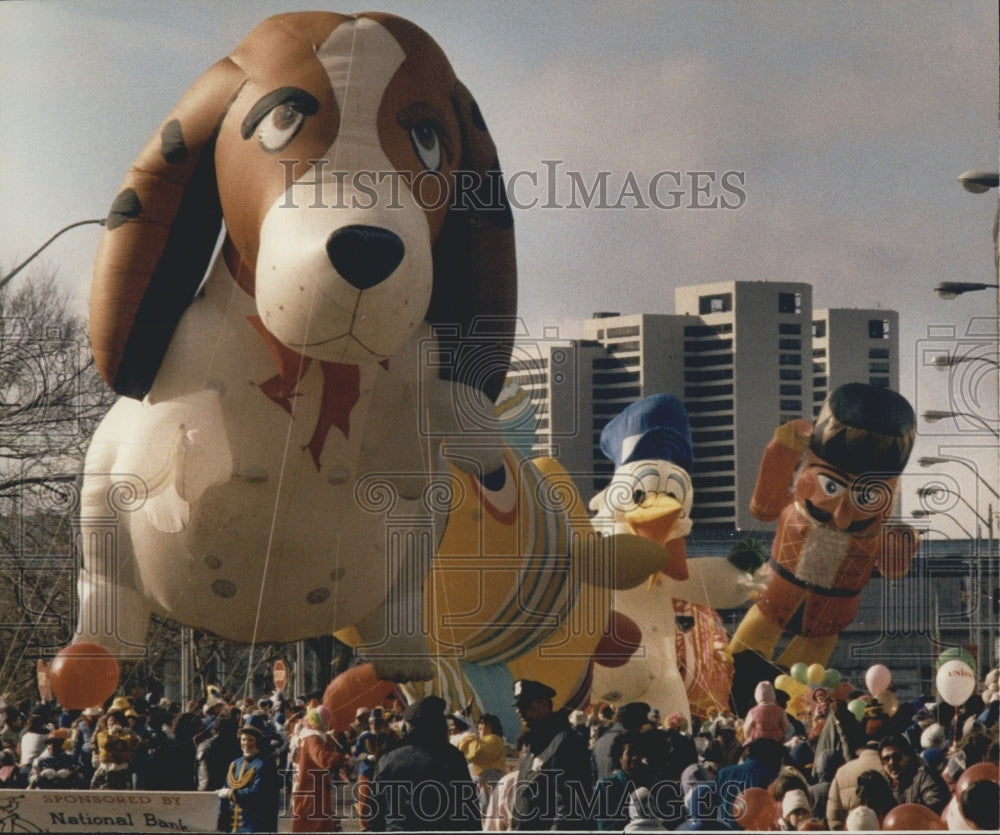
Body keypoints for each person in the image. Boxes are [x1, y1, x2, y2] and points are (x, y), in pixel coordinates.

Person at [370, 695, 480, 831]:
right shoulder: (452, 757)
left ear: (408, 727)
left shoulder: (387, 759)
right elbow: (468, 809)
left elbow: (375, 812)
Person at [510, 679, 593, 830]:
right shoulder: (534, 744)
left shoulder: (566, 742)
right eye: (517, 706)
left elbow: (569, 807)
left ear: (543, 704)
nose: (519, 711)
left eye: (525, 705)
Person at [291, 705, 348, 833]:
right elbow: (322, 758)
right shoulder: (313, 737)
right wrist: (341, 758)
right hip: (312, 788)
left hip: (309, 785)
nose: (327, 723)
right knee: (313, 823)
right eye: (325, 719)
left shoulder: (306, 736)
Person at [217, 725, 280, 833]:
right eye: (243, 739)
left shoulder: (265, 764)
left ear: (258, 742)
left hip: (254, 824)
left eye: (251, 740)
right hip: (232, 826)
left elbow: (258, 792)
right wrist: (221, 816)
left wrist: (232, 793)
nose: (246, 743)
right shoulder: (235, 764)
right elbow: (225, 791)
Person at [592, 731, 656, 830]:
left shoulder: (649, 781)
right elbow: (603, 827)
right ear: (619, 756)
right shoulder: (607, 785)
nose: (635, 757)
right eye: (630, 753)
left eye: (638, 753)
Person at [878, 734, 949, 814]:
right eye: (886, 759)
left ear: (908, 756)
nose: (891, 762)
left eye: (896, 756)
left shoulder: (925, 777)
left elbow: (935, 805)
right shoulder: (881, 783)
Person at [458, 713, 507, 814]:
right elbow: (461, 750)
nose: (482, 726)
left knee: (489, 810)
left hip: (491, 778)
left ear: (493, 727)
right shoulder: (479, 741)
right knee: (480, 809)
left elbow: (477, 753)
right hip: (480, 779)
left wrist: (470, 738)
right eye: (480, 723)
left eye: (487, 724)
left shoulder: (495, 739)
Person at [91, 709, 140, 789]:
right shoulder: (102, 734)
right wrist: (112, 734)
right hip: (106, 770)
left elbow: (133, 744)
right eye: (110, 721)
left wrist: (131, 733)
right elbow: (104, 743)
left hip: (122, 770)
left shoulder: (126, 735)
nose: (112, 723)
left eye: (115, 721)